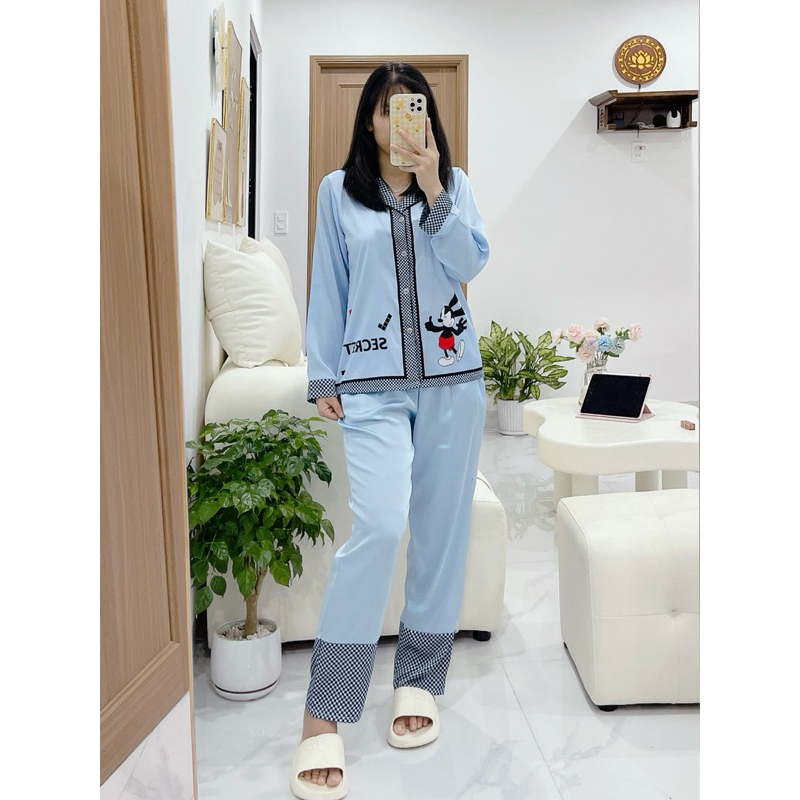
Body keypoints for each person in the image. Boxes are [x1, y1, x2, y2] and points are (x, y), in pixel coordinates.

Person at [290, 61, 489, 800]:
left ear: (426, 116)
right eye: (386, 109)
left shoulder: (454, 184)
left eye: (413, 107)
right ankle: (326, 709)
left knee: (440, 533)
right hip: (371, 386)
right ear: (369, 121)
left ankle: (418, 680)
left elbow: (469, 262)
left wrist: (435, 188)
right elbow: (328, 284)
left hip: (452, 384)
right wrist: (324, 374)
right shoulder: (337, 192)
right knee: (377, 526)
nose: (400, 120)